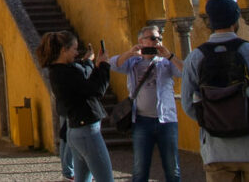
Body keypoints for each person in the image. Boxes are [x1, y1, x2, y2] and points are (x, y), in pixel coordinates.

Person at [181, 0, 249, 182]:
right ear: (236, 20)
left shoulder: (194, 58)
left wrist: (213, 123)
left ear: (209, 22)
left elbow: (188, 104)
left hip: (216, 150)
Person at [36, 30, 113, 182]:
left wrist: (93, 64)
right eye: (74, 49)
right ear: (64, 50)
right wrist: (104, 66)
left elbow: (84, 80)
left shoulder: (59, 71)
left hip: (77, 130)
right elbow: (96, 89)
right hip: (86, 131)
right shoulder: (65, 73)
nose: (76, 53)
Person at [110, 25, 183, 182]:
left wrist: (170, 56)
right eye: (152, 38)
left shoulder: (166, 62)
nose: (156, 42)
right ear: (141, 41)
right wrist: (130, 52)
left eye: (159, 39)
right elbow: (113, 64)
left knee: (172, 168)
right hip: (142, 121)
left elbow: (185, 72)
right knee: (140, 169)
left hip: (166, 121)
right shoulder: (133, 62)